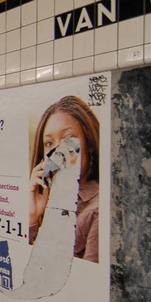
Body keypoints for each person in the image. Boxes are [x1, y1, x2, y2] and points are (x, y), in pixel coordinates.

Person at [28, 95, 100, 263]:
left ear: (88, 143)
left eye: (68, 139)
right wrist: (33, 216)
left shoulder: (96, 211)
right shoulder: (50, 200)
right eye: (48, 143)